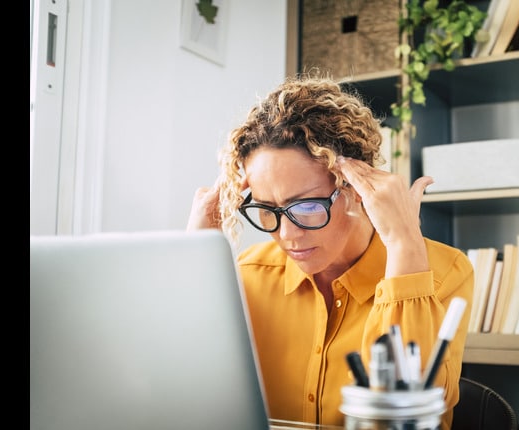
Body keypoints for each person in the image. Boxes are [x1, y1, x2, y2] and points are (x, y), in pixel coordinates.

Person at [187, 75, 474, 428]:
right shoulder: (247, 276)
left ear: (355, 188)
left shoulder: (444, 273)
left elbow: (402, 419)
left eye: (306, 207)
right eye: (267, 210)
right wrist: (195, 259)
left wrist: (403, 243)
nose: (287, 234)